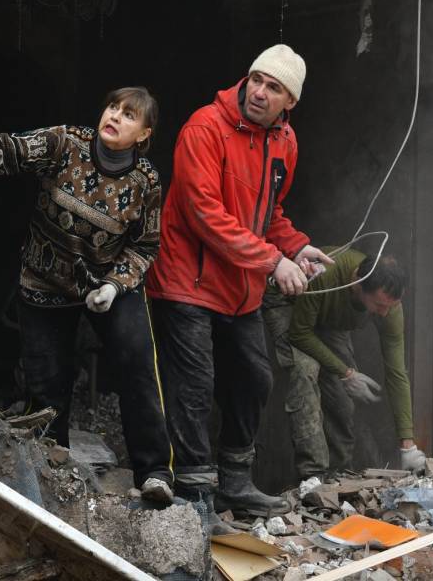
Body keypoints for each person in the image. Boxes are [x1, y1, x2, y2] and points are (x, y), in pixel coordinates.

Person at [0, 87, 174, 504]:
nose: (115, 116)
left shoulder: (147, 182)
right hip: (45, 282)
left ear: (144, 134)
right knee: (47, 386)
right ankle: (55, 475)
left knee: (138, 364)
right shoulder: (65, 143)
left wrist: (114, 285)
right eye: (112, 107)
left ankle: (154, 473)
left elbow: (145, 246)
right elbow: (6, 151)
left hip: (108, 285)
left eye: (129, 115)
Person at [146, 45, 333, 522]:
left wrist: (295, 247)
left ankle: (234, 482)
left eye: (274, 88)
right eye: (256, 80)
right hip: (188, 279)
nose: (260, 92)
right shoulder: (204, 127)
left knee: (254, 378)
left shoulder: (285, 143)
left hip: (238, 285)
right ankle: (193, 493)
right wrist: (274, 263)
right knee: (194, 384)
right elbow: (204, 214)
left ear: (290, 101)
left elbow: (268, 214)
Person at [262, 249, 427, 483]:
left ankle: (339, 474)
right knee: (305, 374)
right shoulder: (325, 274)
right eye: (379, 305)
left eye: (392, 305)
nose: (384, 313)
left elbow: (396, 371)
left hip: (330, 320)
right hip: (289, 302)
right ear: (357, 283)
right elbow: (300, 333)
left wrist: (407, 445)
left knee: (343, 400)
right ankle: (313, 478)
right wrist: (345, 372)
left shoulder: (389, 306)